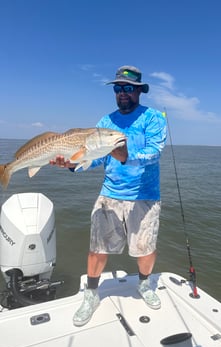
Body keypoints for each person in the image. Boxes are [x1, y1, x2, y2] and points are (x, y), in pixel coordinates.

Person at [51, 65, 167, 327]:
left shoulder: (153, 119)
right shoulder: (105, 122)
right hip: (110, 193)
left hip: (145, 196)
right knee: (97, 248)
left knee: (144, 248)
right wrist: (72, 164)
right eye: (118, 88)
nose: (122, 93)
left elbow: (155, 153)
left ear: (139, 91)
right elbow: (94, 159)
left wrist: (127, 156)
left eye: (128, 88)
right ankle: (91, 294)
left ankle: (145, 285)